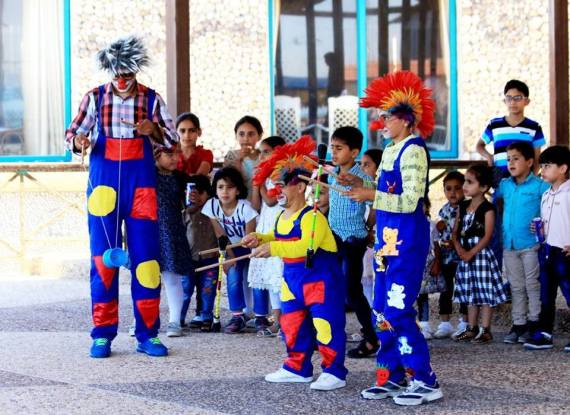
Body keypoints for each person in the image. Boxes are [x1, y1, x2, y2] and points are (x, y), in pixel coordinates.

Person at [65, 36, 177, 358]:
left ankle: (147, 335)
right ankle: (102, 334)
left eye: (127, 72)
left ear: (136, 70)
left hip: (141, 186)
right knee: (103, 261)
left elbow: (171, 140)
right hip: (103, 186)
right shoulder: (95, 98)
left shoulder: (152, 100)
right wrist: (80, 143)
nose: (122, 79)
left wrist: (151, 131)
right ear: (110, 71)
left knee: (147, 263)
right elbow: (72, 134)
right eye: (117, 73)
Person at [342, 71, 443, 405]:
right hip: (386, 242)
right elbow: (378, 192)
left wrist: (370, 196)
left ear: (404, 118)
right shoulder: (390, 149)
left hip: (407, 240)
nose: (380, 121)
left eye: (385, 115)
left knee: (398, 310)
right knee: (381, 311)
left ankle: (425, 379)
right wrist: (359, 191)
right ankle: (392, 376)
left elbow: (411, 200)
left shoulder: (413, 150)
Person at [242, 136, 348, 391]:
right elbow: (279, 238)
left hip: (321, 283)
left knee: (326, 327)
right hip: (293, 282)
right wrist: (259, 238)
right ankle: (297, 367)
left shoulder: (314, 218)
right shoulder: (282, 215)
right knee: (292, 325)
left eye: (282, 185)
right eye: (275, 185)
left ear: (300, 186)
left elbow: (304, 247)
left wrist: (273, 248)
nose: (276, 190)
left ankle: (334, 372)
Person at [328, 126, 378, 359]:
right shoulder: (331, 173)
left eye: (339, 148)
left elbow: (376, 194)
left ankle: (371, 337)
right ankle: (331, 336)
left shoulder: (363, 175)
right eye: (332, 148)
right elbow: (330, 198)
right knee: (332, 287)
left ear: (354, 151)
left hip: (353, 238)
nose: (334, 153)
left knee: (352, 289)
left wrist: (357, 181)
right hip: (332, 236)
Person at [201, 167, 267, 334]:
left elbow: (249, 238)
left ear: (238, 190)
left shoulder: (246, 208)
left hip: (252, 246)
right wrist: (229, 258)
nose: (225, 191)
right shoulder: (212, 205)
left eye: (230, 187)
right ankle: (237, 316)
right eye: (220, 187)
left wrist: (243, 256)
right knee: (233, 275)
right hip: (231, 248)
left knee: (256, 279)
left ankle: (261, 316)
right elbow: (220, 234)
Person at [495, 142, 549, 344]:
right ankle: (518, 324)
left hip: (530, 246)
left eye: (516, 158)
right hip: (509, 245)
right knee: (516, 286)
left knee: (532, 285)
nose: (511, 162)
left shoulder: (540, 186)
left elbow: (552, 205)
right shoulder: (504, 186)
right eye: (508, 159)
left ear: (529, 162)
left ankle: (534, 322)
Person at [452, 165, 509, 344]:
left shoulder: (488, 208)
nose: (464, 186)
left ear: (483, 187)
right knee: (470, 292)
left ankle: (485, 330)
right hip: (465, 255)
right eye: (465, 181)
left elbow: (487, 236)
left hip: (481, 255)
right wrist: (460, 249)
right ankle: (471, 327)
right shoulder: (462, 205)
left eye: (470, 182)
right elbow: (455, 231)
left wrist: (471, 253)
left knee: (485, 292)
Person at [524, 145, 570, 352]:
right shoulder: (546, 195)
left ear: (563, 168)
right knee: (546, 295)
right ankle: (544, 333)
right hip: (548, 250)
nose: (543, 169)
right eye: (541, 165)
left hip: (565, 252)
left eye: (548, 165)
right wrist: (538, 227)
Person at [248, 136, 286, 336]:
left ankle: (285, 321)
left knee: (279, 273)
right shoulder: (266, 176)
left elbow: (271, 201)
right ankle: (277, 320)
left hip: (279, 224)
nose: (261, 155)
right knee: (271, 275)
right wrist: (257, 183)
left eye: (265, 151)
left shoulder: (282, 174)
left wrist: (261, 181)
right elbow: (255, 206)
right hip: (265, 224)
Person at [154, 146, 193, 338]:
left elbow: (188, 206)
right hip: (149, 230)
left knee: (172, 276)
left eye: (176, 154)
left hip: (172, 231)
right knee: (147, 276)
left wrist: (192, 202)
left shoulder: (180, 177)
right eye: (169, 154)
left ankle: (175, 320)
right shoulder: (147, 175)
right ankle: (143, 318)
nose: (174, 158)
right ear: (156, 155)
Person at [476, 79, 546, 183]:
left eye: (517, 98)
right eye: (509, 98)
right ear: (504, 101)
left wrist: (530, 180)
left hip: (524, 182)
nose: (512, 102)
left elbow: (536, 159)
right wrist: (489, 156)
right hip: (499, 180)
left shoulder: (534, 127)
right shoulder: (494, 124)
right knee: (499, 199)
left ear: (526, 101)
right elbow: (479, 146)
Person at [182, 174, 219, 332]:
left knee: (207, 290)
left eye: (201, 193)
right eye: (193, 193)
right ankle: (178, 317)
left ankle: (206, 316)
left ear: (208, 194)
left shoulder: (214, 211)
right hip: (189, 258)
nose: (197, 197)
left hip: (210, 258)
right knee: (185, 288)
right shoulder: (187, 212)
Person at [434, 171, 468, 339]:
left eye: (457, 188)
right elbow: (440, 233)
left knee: (464, 289)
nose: (453, 193)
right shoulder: (443, 210)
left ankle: (465, 322)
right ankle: (445, 323)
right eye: (448, 189)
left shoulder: (468, 208)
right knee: (446, 289)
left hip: (463, 257)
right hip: (447, 257)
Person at [416, 198, 444, 340]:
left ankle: (425, 324)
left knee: (423, 295)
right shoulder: (407, 224)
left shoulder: (430, 225)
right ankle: (411, 325)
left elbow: (436, 245)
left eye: (422, 205)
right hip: (410, 263)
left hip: (425, 263)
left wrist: (437, 261)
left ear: (427, 207)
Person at [360, 149, 383, 307]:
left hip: (376, 235)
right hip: (368, 237)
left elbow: (374, 210)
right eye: (361, 165)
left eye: (366, 165)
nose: (362, 169)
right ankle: (371, 311)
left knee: (378, 275)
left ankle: (377, 312)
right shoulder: (365, 187)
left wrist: (367, 229)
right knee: (367, 276)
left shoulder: (379, 187)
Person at [224, 116, 263, 200]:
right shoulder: (231, 156)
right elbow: (228, 183)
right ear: (236, 136)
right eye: (241, 134)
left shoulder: (264, 155)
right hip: (238, 203)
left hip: (263, 203)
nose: (246, 139)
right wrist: (238, 159)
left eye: (251, 134)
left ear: (259, 136)